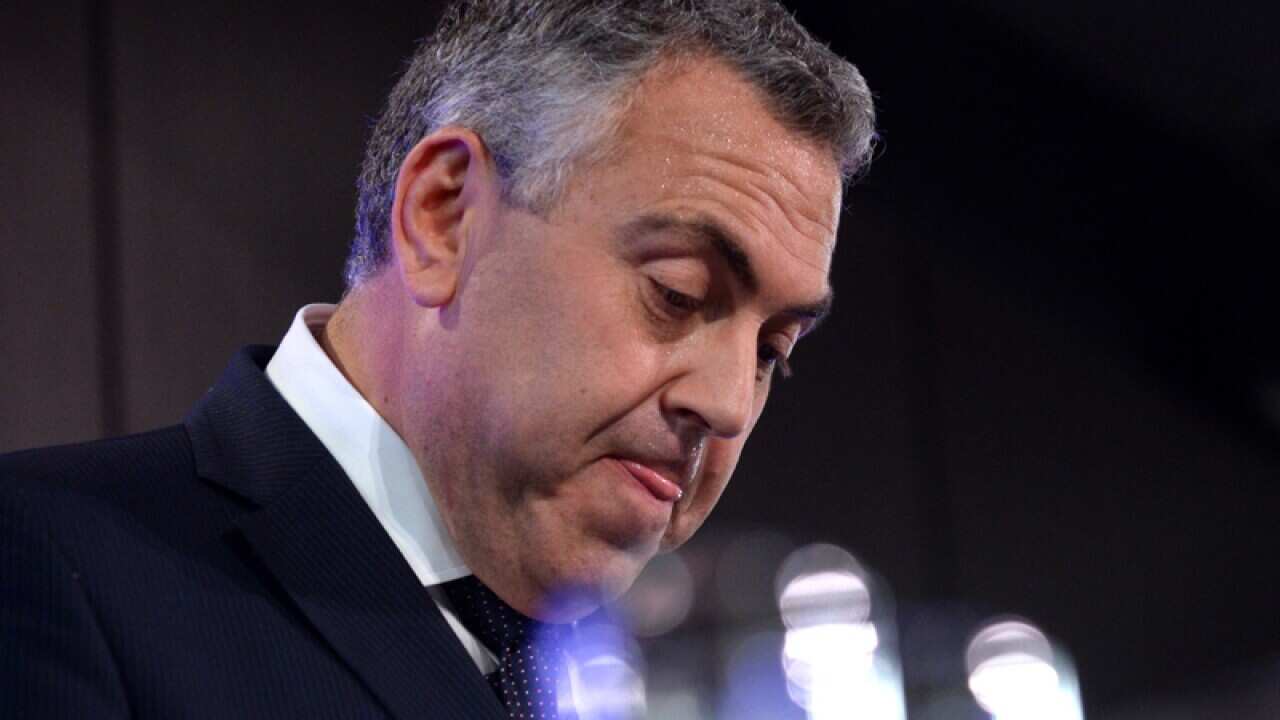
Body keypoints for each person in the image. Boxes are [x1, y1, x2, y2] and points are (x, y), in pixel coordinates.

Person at [0, 0, 875, 717]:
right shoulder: (41, 568)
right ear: (443, 216)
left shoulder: (687, 688)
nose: (728, 403)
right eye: (677, 293)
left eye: (772, 349)